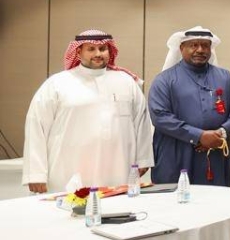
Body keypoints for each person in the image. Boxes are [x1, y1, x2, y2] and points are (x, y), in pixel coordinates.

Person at [23, 30, 153, 194]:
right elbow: (36, 126)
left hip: (118, 169)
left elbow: (142, 123)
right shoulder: (57, 84)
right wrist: (35, 174)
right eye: (91, 49)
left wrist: (143, 160)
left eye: (103, 49)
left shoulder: (126, 82)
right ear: (78, 52)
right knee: (71, 206)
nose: (98, 54)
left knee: (117, 207)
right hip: (68, 171)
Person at [149, 26, 230, 185]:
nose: (200, 50)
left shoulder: (225, 77)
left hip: (215, 152)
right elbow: (160, 116)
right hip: (176, 151)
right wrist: (199, 136)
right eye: (193, 45)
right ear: (181, 48)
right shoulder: (164, 80)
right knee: (177, 196)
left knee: (215, 197)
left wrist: (221, 132)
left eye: (205, 45)